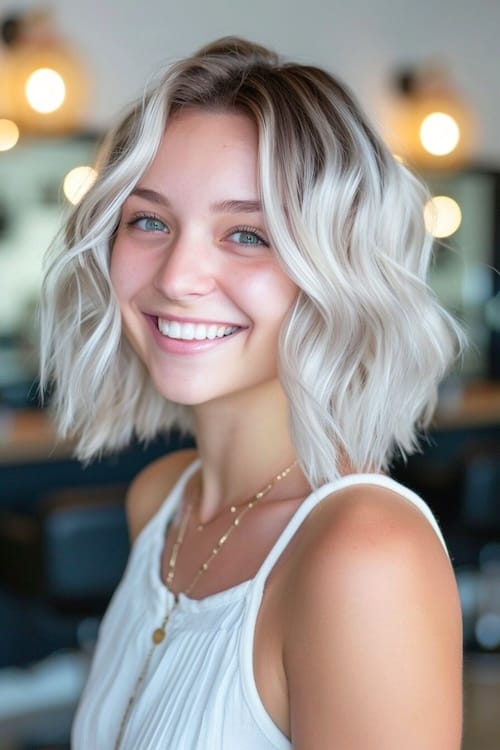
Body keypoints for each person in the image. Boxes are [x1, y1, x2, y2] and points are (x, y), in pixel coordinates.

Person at [40, 36, 464, 749]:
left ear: (335, 267)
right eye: (148, 220)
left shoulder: (365, 553)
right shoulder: (162, 501)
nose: (178, 276)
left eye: (246, 234)